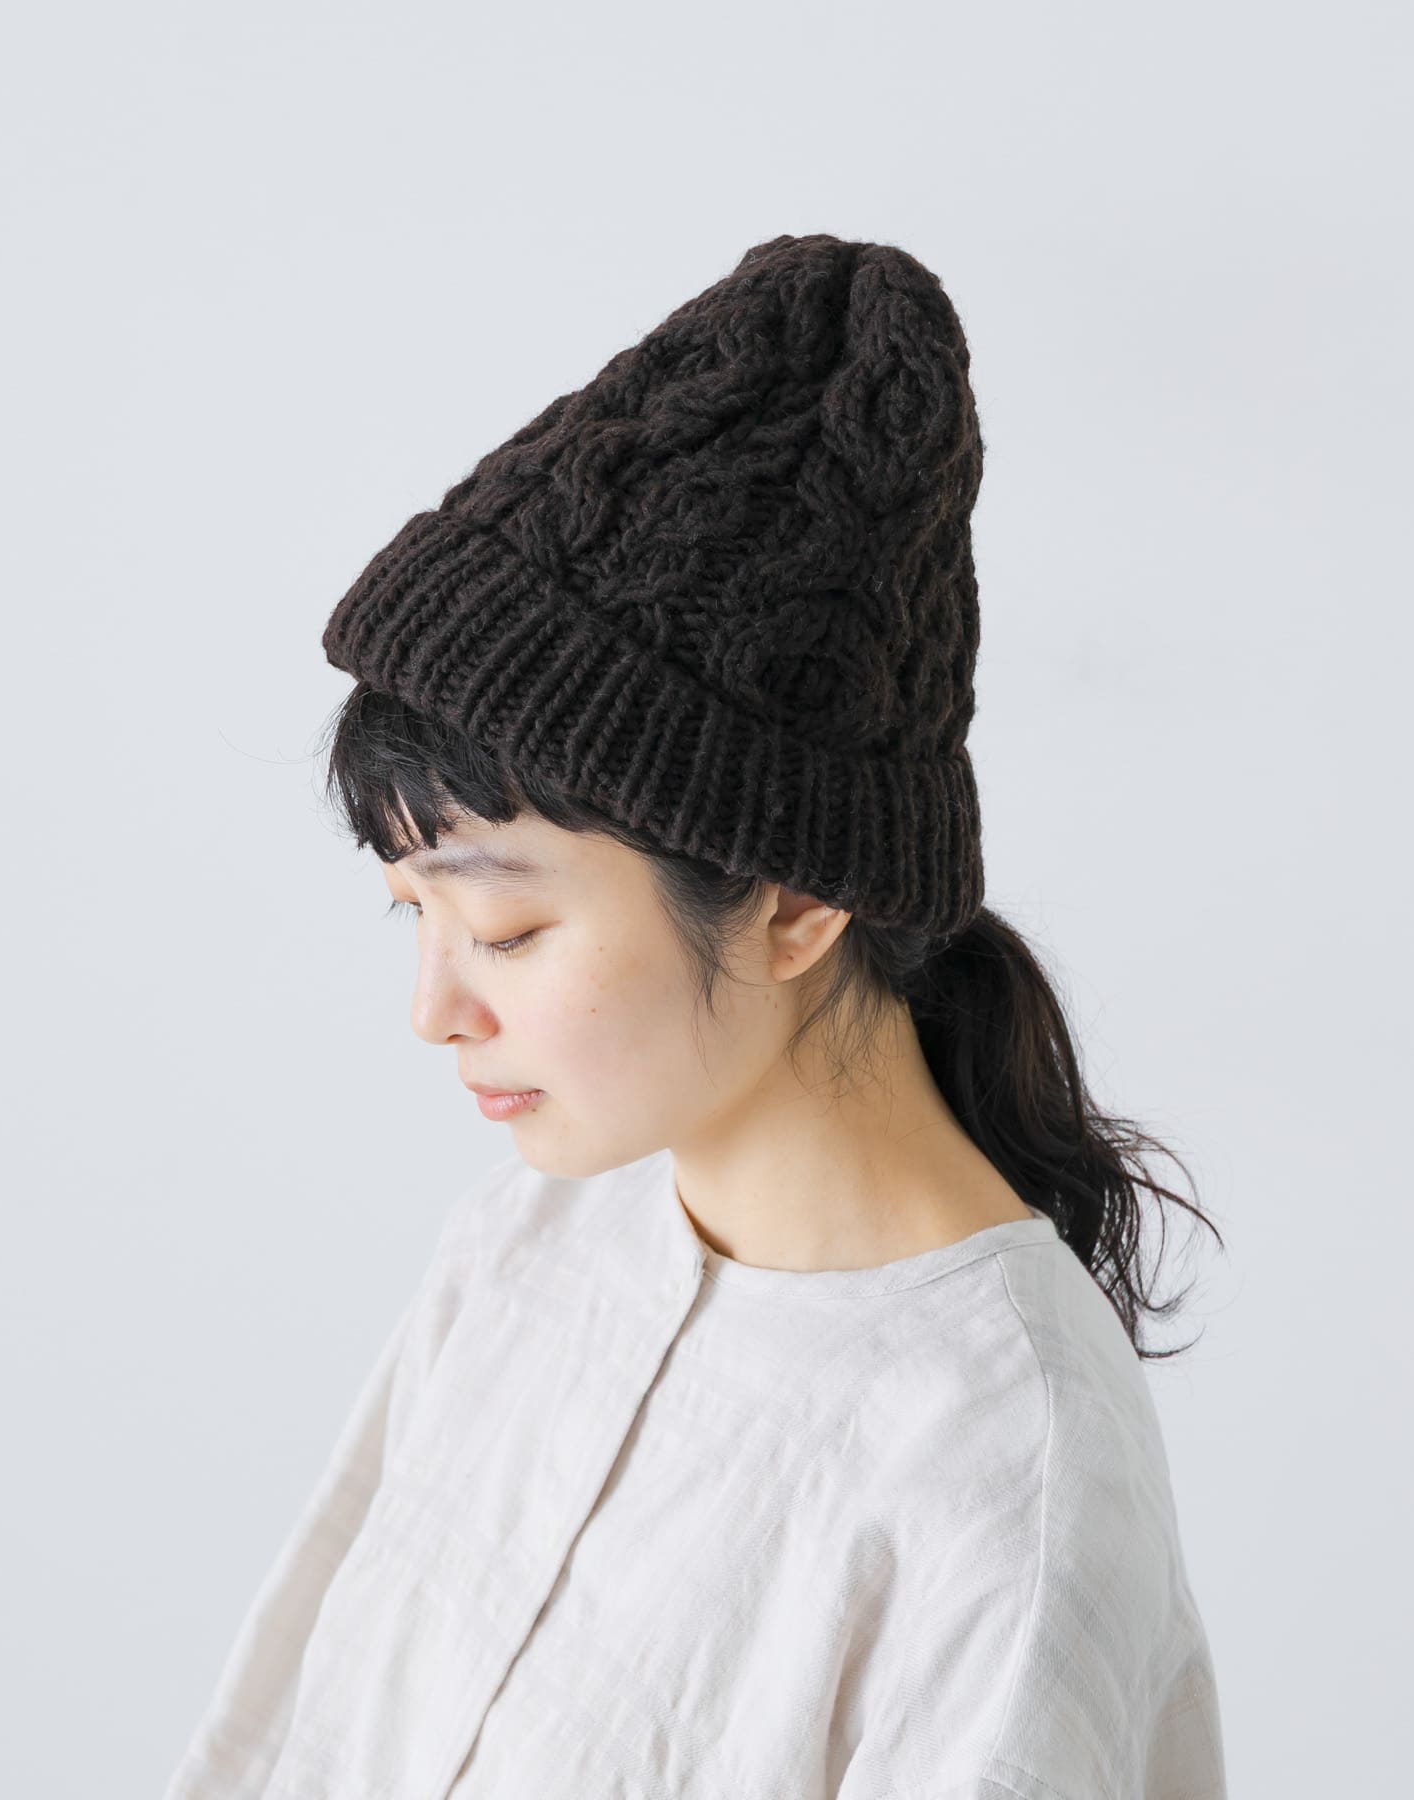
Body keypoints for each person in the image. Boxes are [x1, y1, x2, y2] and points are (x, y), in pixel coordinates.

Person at [163, 233, 1228, 1799]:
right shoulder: (526, 1249)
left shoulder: (1006, 1477)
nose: (436, 1012)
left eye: (507, 930)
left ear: (797, 902)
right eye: (414, 917)